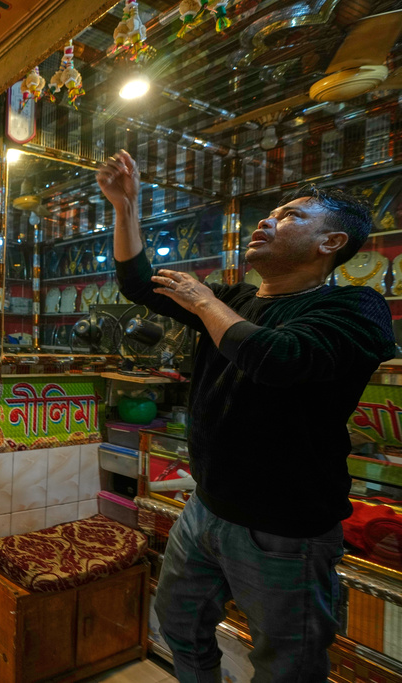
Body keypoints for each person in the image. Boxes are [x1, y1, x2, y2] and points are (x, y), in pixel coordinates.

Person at [97, 150, 395, 681]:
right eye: (272, 213)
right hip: (206, 508)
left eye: (291, 216)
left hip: (285, 529)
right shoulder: (235, 298)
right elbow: (139, 284)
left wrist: (203, 301)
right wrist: (126, 207)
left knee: (287, 663)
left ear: (331, 243)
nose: (267, 221)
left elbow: (275, 359)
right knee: (178, 624)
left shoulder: (355, 308)